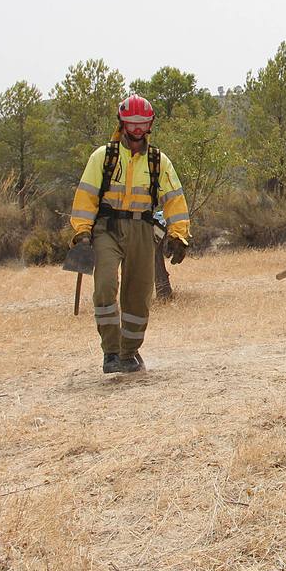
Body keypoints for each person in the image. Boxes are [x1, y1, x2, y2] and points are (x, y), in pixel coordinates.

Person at [70, 95, 191, 374]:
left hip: (142, 230)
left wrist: (178, 235)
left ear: (150, 124)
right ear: (122, 123)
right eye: (131, 123)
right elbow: (85, 197)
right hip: (106, 229)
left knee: (138, 294)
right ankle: (110, 352)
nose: (137, 129)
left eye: (142, 123)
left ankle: (129, 354)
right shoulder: (102, 157)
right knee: (104, 286)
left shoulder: (158, 161)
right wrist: (82, 232)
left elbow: (175, 200)